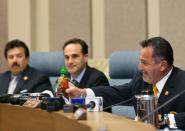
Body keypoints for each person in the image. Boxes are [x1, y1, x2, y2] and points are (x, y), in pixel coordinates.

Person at [65, 37, 185, 130]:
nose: (139, 67)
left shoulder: (182, 82)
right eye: (140, 62)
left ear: (162, 65)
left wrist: (164, 120)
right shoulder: (141, 79)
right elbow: (118, 93)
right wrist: (83, 93)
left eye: (144, 63)